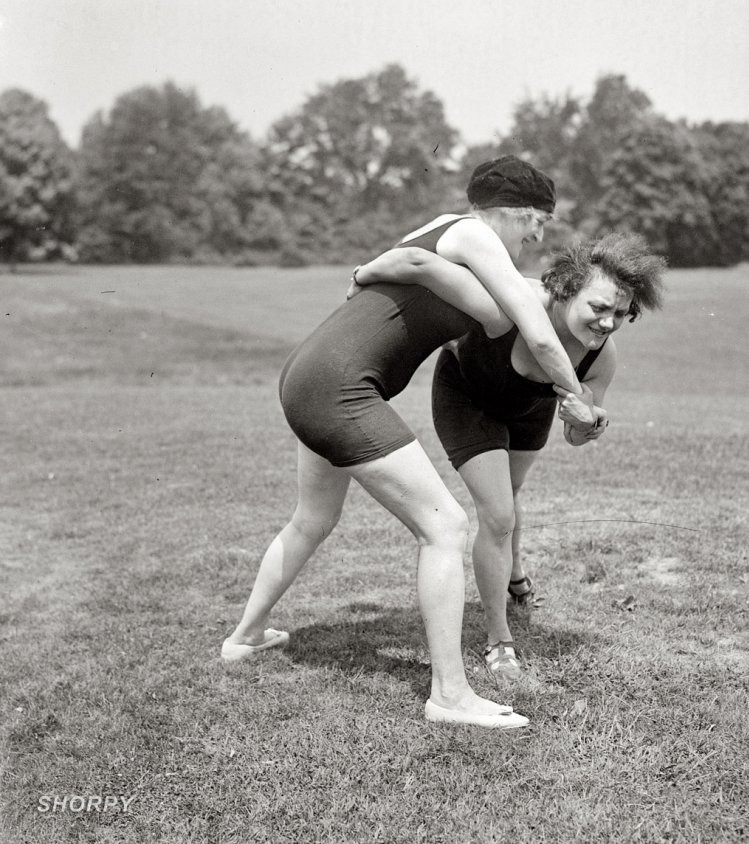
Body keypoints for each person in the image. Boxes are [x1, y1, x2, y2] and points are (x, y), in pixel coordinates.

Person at [221, 156, 598, 729]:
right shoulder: (474, 233)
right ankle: (449, 695)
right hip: (340, 387)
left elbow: (464, 292)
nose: (538, 236)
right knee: (444, 525)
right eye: (538, 223)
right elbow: (539, 335)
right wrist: (578, 398)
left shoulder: (441, 233)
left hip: (309, 372)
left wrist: (378, 266)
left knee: (312, 520)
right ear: (516, 213)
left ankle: (246, 637)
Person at [351, 233, 665, 679]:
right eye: (598, 308)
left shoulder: (600, 357)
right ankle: (499, 639)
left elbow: (576, 435)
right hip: (467, 397)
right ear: (565, 289)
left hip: (528, 411)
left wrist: (587, 420)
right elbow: (423, 265)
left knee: (511, 497)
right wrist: (363, 275)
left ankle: (515, 574)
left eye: (620, 313)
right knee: (498, 515)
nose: (608, 323)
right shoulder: (512, 298)